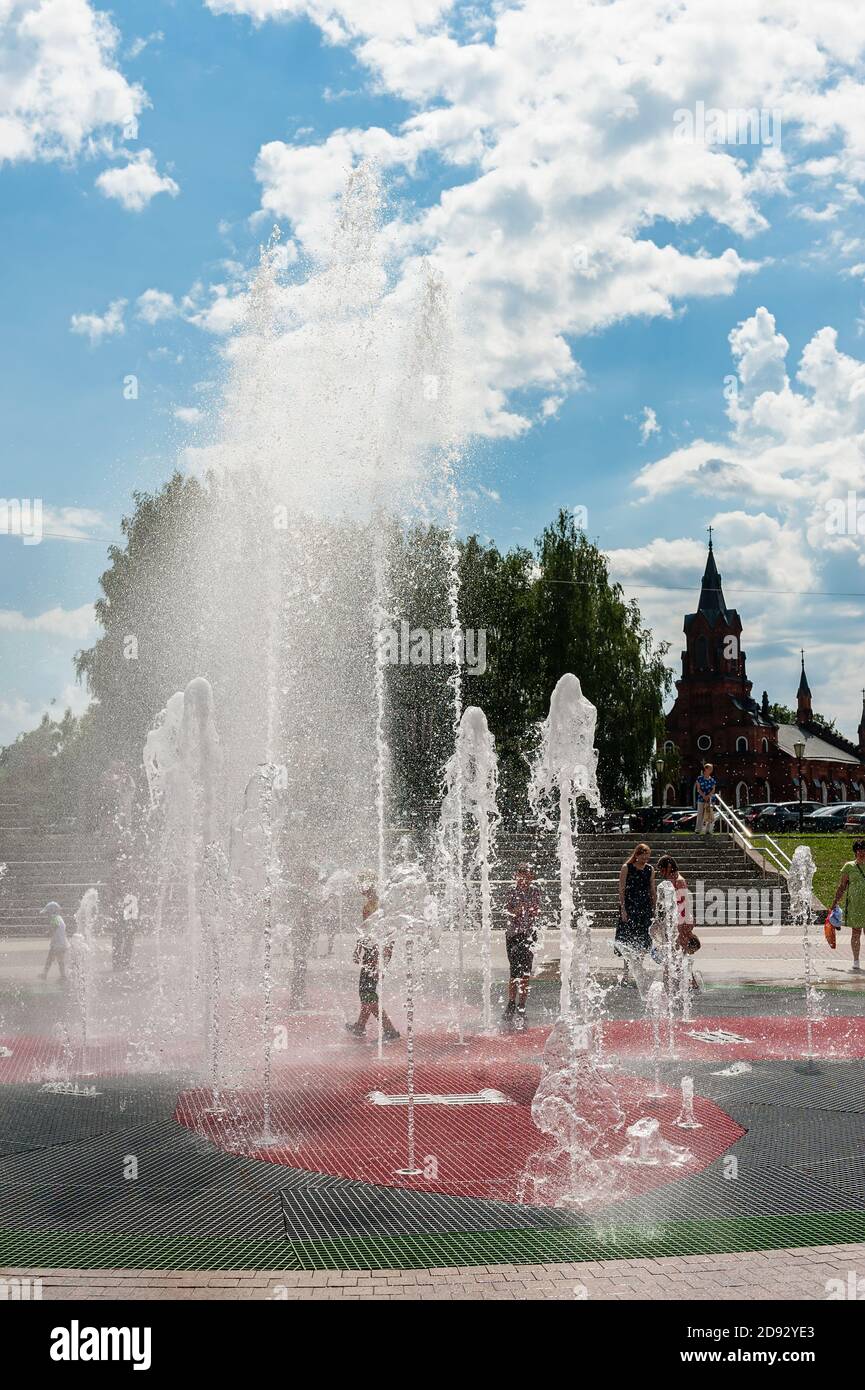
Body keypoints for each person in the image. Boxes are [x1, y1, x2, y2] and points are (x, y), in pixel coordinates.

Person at [345, 880, 400, 1040]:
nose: (360, 887)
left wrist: (381, 957)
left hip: (377, 953)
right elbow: (367, 930)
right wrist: (359, 948)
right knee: (367, 991)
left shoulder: (378, 906)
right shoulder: (371, 904)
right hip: (373, 952)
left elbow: (388, 933)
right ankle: (360, 1026)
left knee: (367, 992)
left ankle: (389, 1030)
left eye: (363, 883)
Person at [503, 864, 541, 1028]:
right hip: (513, 935)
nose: (523, 877)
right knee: (514, 971)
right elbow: (506, 912)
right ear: (516, 875)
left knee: (525, 971)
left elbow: (537, 911)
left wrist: (531, 910)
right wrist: (516, 910)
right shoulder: (511, 891)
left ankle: (522, 1005)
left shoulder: (535, 891)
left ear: (531, 877)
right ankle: (511, 1003)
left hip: (528, 935)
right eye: (520, 873)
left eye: (527, 874)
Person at [655, 854, 699, 993]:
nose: (661, 873)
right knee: (676, 953)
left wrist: (683, 926)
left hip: (681, 922)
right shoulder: (671, 880)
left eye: (662, 870)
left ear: (669, 867)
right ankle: (685, 982)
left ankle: (689, 983)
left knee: (680, 953)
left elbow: (684, 905)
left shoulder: (679, 881)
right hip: (676, 922)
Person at [615, 843, 656, 989]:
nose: (645, 859)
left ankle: (638, 971)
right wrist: (623, 909)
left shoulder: (650, 869)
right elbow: (621, 888)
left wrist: (654, 909)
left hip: (644, 909)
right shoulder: (627, 868)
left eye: (647, 856)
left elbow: (652, 889)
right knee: (627, 941)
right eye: (643, 856)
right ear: (636, 855)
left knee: (642, 941)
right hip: (630, 908)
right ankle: (625, 974)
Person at [830, 840, 865, 973]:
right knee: (856, 933)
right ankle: (856, 960)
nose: (862, 852)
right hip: (855, 905)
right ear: (855, 852)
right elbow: (842, 886)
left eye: (863, 850)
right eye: (859, 850)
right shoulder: (849, 866)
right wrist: (835, 903)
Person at [39, 901, 68, 982]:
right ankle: (63, 976)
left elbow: (53, 928)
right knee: (60, 960)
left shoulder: (54, 918)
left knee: (49, 959)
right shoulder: (60, 918)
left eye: (47, 912)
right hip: (62, 943)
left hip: (56, 944)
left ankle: (44, 974)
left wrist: (47, 933)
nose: (47, 915)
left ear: (51, 911)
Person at [695, 763, 717, 833]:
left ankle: (708, 830)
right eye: (710, 768)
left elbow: (713, 789)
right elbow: (698, 789)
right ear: (705, 769)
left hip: (710, 800)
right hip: (701, 799)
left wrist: (708, 796)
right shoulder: (699, 778)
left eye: (712, 768)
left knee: (709, 814)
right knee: (700, 814)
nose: (711, 770)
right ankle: (698, 829)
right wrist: (704, 796)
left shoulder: (712, 780)